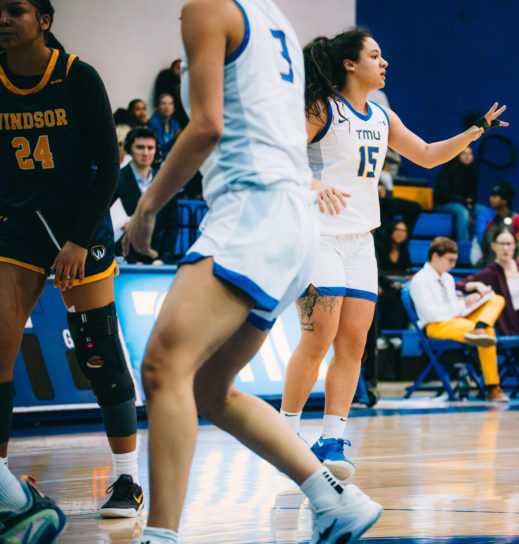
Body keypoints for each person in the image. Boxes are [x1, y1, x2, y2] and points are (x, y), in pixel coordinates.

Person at [121, 2, 382, 543]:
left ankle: (159, 536)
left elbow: (206, 125)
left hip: (253, 210)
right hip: (296, 222)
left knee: (164, 367)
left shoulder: (208, 8)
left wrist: (147, 206)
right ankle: (336, 501)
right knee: (211, 387)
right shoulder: (275, 18)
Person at [279, 26, 507, 480]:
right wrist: (314, 182)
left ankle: (332, 437)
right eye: (375, 55)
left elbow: (427, 155)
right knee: (319, 336)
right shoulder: (322, 107)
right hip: (318, 234)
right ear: (349, 63)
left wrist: (474, 132)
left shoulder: (383, 117)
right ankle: (284, 433)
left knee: (354, 343)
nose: (384, 63)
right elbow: (282, 156)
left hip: (361, 240)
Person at [0, 1, 144, 540]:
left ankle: (127, 479)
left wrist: (79, 241)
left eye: (15, 10)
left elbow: (109, 168)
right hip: (17, 225)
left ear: (44, 20)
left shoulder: (78, 77)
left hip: (81, 225)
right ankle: (3, 489)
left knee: (96, 348)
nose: (2, 18)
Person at [409, 237, 509, 402]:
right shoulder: (419, 280)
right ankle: (492, 387)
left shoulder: (447, 278)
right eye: (450, 260)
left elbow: (454, 309)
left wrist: (469, 303)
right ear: (435, 256)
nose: (453, 265)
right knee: (488, 332)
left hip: (454, 320)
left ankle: (480, 326)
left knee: (497, 299)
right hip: (435, 326)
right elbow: (431, 314)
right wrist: (461, 305)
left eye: (455, 260)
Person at [115, 127, 179, 264]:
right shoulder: (116, 181)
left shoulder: (166, 183)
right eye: (140, 147)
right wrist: (131, 260)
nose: (145, 153)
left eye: (150, 148)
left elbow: (172, 225)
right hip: (125, 262)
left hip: (158, 261)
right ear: (129, 149)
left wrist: (163, 259)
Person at [433, 146, 488, 241]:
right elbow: (443, 195)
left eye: (470, 154)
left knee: (484, 211)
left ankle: (482, 243)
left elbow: (473, 193)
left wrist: (470, 202)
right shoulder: (447, 170)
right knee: (462, 212)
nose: (467, 156)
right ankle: (464, 243)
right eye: (464, 153)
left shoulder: (473, 171)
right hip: (444, 204)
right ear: (457, 155)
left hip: (464, 204)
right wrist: (464, 200)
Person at [479, 182, 519, 267]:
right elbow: (485, 254)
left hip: (515, 273)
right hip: (493, 273)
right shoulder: (490, 225)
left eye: (495, 196)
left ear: (504, 200)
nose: (490, 199)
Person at [375, 219, 412, 330]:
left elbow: (407, 271)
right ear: (391, 230)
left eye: (404, 231)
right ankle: (385, 332)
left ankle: (400, 331)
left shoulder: (404, 250)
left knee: (404, 294)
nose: (401, 233)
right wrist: (391, 283)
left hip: (398, 286)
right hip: (381, 284)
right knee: (391, 295)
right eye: (398, 230)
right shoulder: (379, 246)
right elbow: (377, 270)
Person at [146, 92, 181, 158]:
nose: (167, 107)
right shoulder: (153, 122)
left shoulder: (174, 122)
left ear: (174, 108)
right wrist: (175, 139)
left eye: (170, 104)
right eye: (163, 103)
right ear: (158, 107)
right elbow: (159, 147)